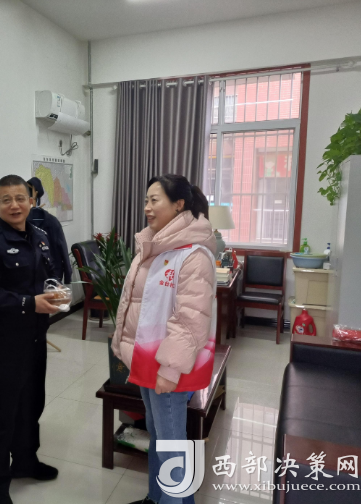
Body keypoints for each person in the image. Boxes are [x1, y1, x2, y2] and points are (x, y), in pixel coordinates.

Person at [111, 174, 217, 504]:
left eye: (154, 200)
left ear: (179, 204)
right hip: (148, 360)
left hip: (171, 367)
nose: (147, 207)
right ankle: (155, 498)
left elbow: (191, 320)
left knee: (172, 447)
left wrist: (170, 370)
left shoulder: (193, 255)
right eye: (146, 200)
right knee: (157, 436)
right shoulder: (156, 246)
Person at [0, 175, 60, 504]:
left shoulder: (40, 236)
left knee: (32, 405)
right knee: (4, 415)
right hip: (6, 343)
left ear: (31, 201)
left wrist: (54, 294)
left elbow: (47, 276)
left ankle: (25, 461)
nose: (14, 205)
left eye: (20, 198)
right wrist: (29, 303)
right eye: (6, 200)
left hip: (36, 338)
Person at [26, 177, 73, 284]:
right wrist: (67, 276)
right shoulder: (21, 224)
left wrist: (67, 276)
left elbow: (63, 248)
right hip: (32, 276)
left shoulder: (53, 222)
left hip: (52, 275)